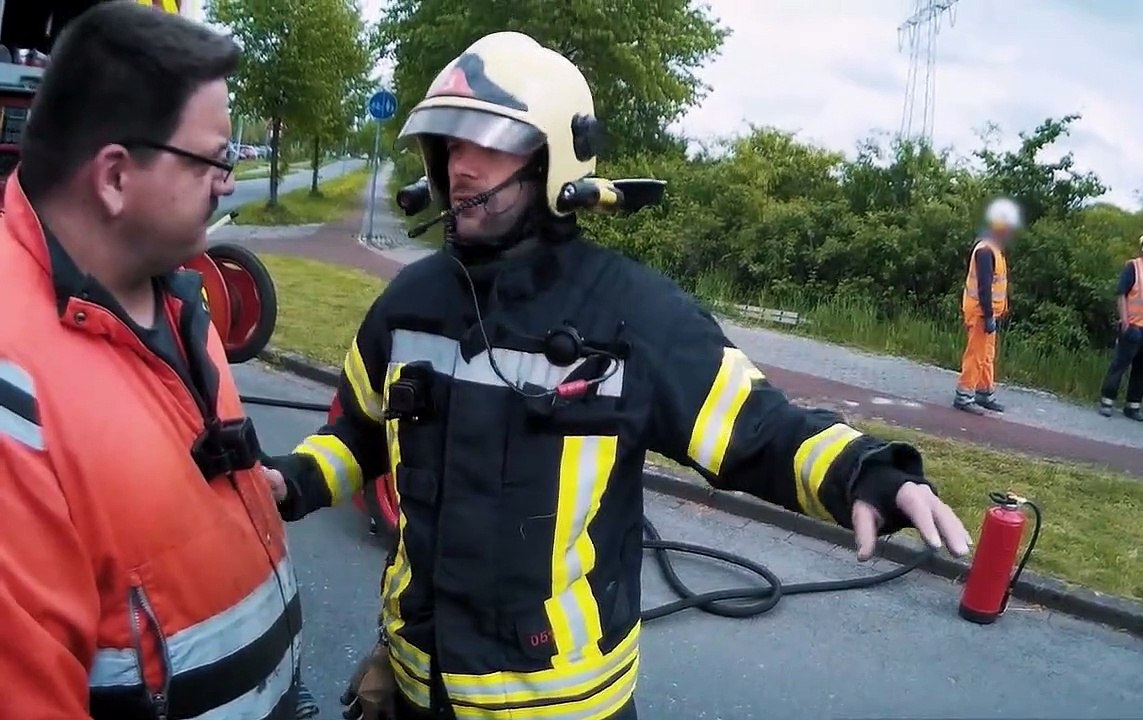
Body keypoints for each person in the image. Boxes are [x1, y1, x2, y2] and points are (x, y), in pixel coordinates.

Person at [262, 31, 973, 720]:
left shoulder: (632, 313)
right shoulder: (409, 306)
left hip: (563, 706)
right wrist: (291, 481)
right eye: (452, 144)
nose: (462, 168)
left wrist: (866, 473)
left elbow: (758, 429)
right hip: (418, 690)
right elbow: (356, 433)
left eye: (489, 144)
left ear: (552, 161)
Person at [0, 3, 308, 718]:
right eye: (214, 159)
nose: (227, 182)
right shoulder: (14, 392)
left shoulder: (180, 303)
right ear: (114, 177)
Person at [953, 197, 1021, 414]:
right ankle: (964, 396)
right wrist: (989, 314)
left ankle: (984, 393)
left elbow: (995, 285)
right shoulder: (985, 250)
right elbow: (984, 287)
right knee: (976, 354)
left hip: (989, 313)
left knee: (987, 354)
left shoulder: (994, 249)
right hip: (981, 312)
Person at [1098, 232, 1143, 420]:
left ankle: (1133, 406)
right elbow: (1121, 294)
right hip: (1134, 326)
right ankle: (1107, 401)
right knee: (1120, 364)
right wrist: (1125, 323)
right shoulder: (1133, 267)